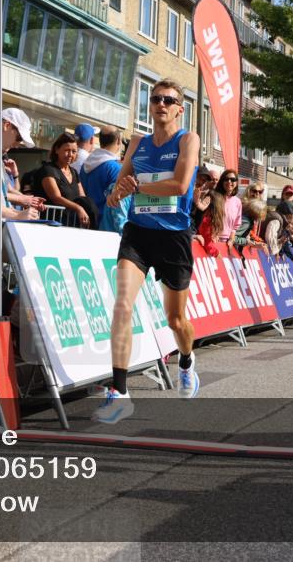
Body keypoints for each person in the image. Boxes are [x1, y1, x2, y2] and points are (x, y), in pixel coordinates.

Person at [93, 79, 200, 424]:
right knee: (123, 304)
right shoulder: (137, 143)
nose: (161, 104)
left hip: (173, 237)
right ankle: (120, 392)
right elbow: (117, 193)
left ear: (179, 109)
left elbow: (181, 184)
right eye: (155, 99)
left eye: (169, 100)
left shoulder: (188, 139)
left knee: (176, 321)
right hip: (138, 233)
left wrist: (136, 186)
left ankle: (186, 360)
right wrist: (115, 194)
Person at [32, 132, 97, 229]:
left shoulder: (74, 172)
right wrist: (78, 208)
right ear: (57, 150)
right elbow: (56, 198)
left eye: (74, 151)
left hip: (70, 225)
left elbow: (82, 197)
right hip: (49, 225)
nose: (70, 154)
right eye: (67, 150)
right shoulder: (48, 170)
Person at [81, 125, 129, 233]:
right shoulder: (115, 168)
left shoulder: (85, 165)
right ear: (118, 141)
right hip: (108, 226)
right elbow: (120, 202)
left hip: (88, 222)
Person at [0, 108, 40, 221]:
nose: (17, 144)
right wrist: (18, 214)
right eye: (19, 138)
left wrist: (21, 213)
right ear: (7, 125)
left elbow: (1, 199)